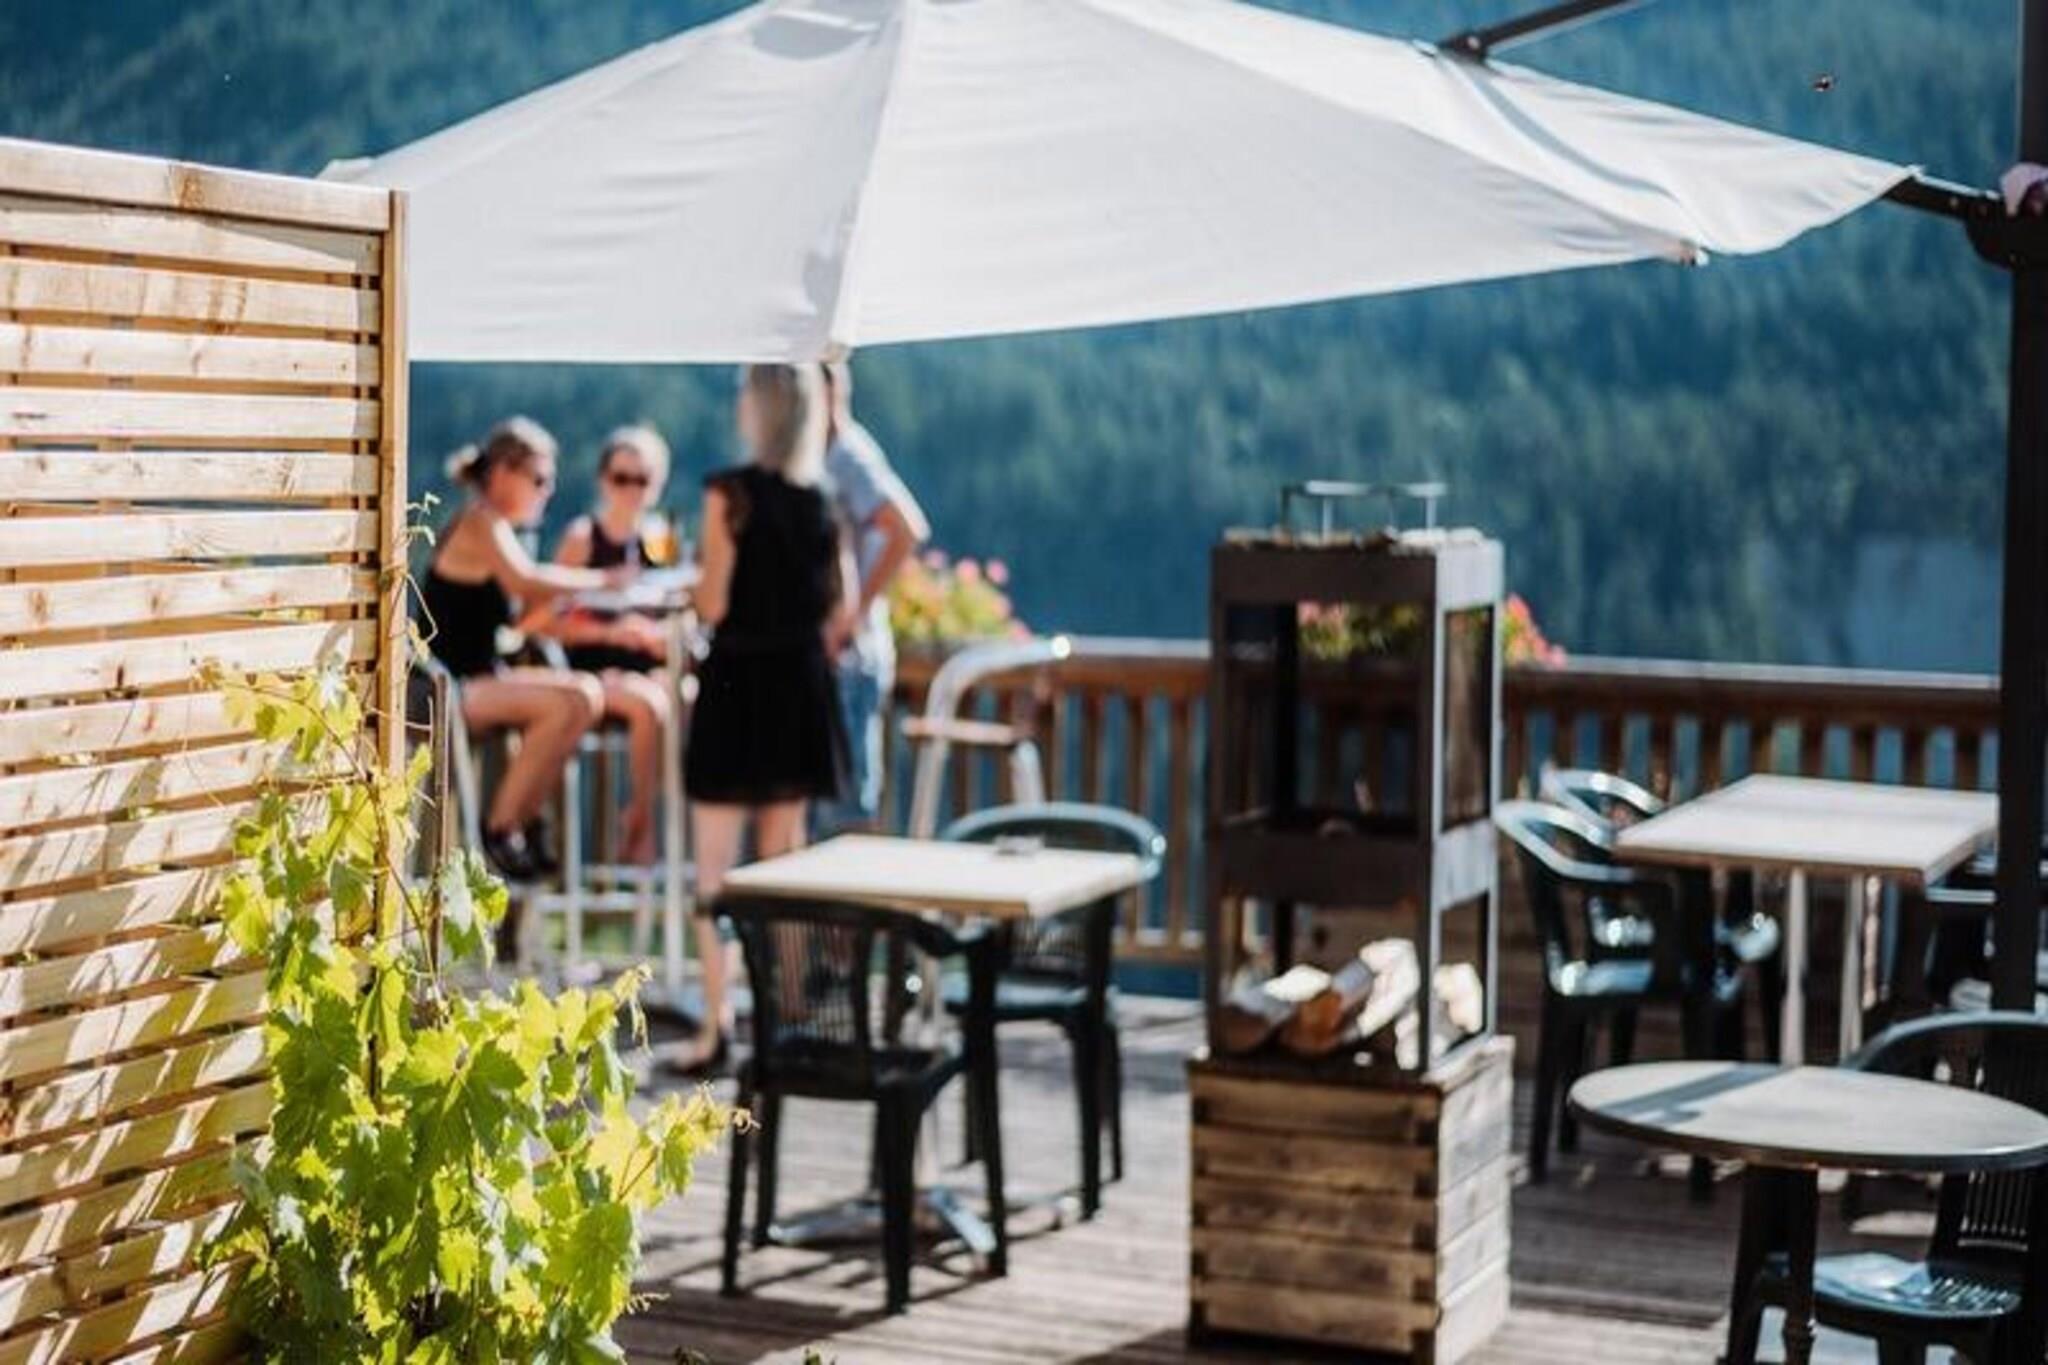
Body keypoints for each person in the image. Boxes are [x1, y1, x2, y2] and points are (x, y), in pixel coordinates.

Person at [671, 364, 856, 1074]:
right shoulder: (824, 500)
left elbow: (714, 602)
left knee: (715, 870)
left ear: (757, 409)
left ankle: (717, 1025)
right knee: (784, 862)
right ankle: (785, 1014)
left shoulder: (731, 494)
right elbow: (840, 606)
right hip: (800, 687)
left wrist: (692, 586)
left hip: (738, 680)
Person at [420, 416, 629, 881]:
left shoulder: (497, 529)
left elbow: (516, 623)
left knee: (586, 695)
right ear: (502, 473)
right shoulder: (480, 521)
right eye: (539, 480)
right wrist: (602, 580)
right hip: (450, 689)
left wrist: (563, 602)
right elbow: (525, 579)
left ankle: (522, 821)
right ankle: (500, 828)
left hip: (482, 678)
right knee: (572, 699)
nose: (547, 491)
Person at [533, 425, 676, 865]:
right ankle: (640, 824)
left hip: (644, 666)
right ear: (603, 481)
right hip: (589, 668)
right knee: (650, 704)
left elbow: (673, 606)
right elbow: (543, 619)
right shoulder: (583, 538)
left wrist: (656, 636)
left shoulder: (659, 540)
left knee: (684, 698)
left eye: (642, 479)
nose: (631, 489)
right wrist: (611, 633)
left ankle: (662, 830)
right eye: (621, 478)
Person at [815, 358, 929, 833]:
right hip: (832, 655)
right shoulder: (828, 452)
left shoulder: (848, 456)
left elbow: (906, 529)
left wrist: (854, 613)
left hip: (849, 655)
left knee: (845, 811)